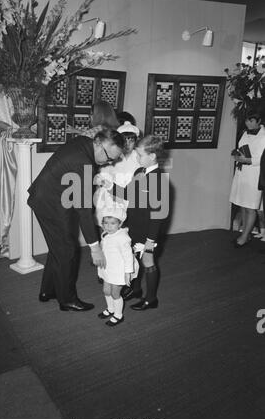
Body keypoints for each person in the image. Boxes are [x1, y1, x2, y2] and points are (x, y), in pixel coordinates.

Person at [27, 129, 124, 312]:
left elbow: (71, 171)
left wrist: (91, 179)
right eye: (107, 156)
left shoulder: (83, 142)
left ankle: (48, 291)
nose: (107, 162)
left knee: (59, 247)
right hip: (50, 202)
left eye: (112, 160)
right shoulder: (83, 163)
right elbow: (84, 211)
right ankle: (67, 300)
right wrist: (95, 248)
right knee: (67, 250)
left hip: (52, 196)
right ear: (97, 143)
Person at [104, 135, 169, 310]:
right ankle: (136, 289)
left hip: (149, 230)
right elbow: (129, 194)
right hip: (134, 225)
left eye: (140, 155)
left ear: (153, 156)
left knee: (148, 261)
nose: (137, 158)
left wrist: (150, 241)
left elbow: (158, 215)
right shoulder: (139, 172)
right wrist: (109, 186)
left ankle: (151, 298)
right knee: (133, 259)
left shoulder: (158, 179)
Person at [97, 200, 138, 326]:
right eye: (106, 223)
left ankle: (118, 315)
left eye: (113, 223)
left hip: (120, 271)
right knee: (106, 290)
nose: (109, 226)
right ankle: (110, 309)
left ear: (120, 224)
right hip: (108, 268)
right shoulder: (105, 234)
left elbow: (128, 257)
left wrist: (127, 273)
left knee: (115, 293)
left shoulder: (123, 238)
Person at [229, 112, 265, 248]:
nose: (249, 123)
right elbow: (242, 148)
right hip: (242, 173)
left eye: (252, 121)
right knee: (243, 204)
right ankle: (246, 233)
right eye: (247, 121)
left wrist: (248, 160)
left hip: (254, 175)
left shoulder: (264, 136)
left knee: (250, 207)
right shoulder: (245, 133)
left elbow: (262, 158)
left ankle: (244, 237)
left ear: (259, 120)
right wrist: (237, 154)